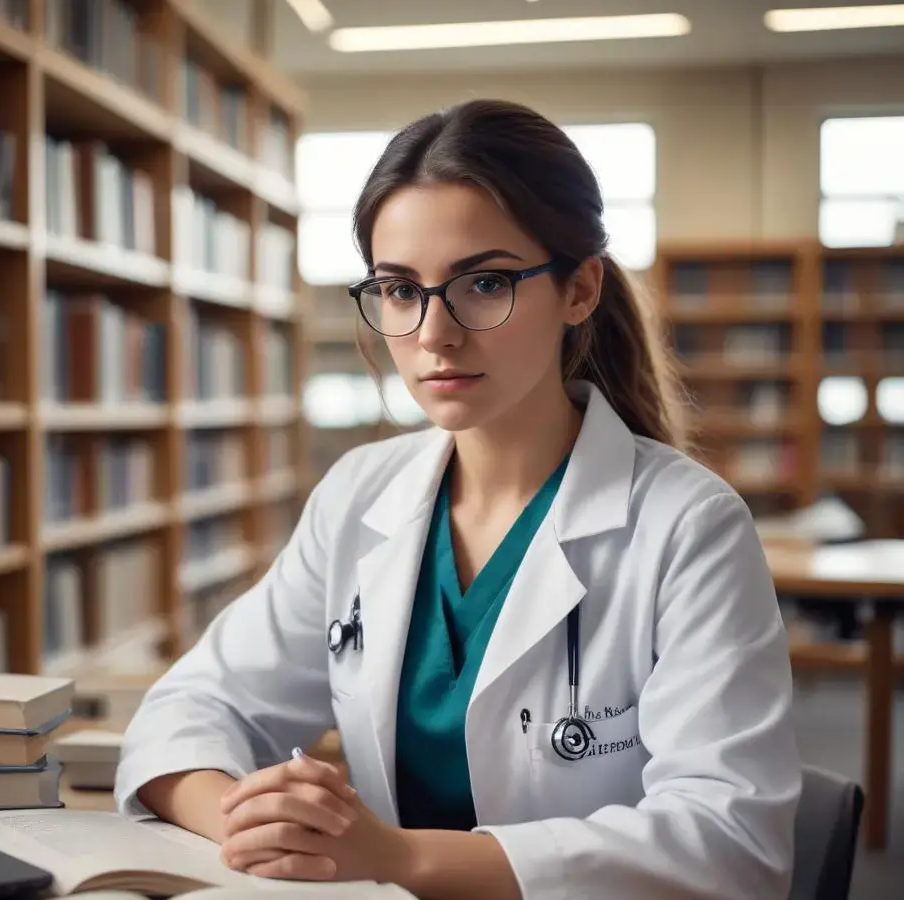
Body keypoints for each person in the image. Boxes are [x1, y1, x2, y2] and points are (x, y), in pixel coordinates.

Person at [116, 99, 801, 900]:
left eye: (484, 283)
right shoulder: (359, 496)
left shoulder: (687, 526)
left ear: (579, 289)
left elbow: (730, 843)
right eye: (399, 289)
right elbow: (195, 705)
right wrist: (249, 821)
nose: (433, 334)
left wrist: (398, 859)